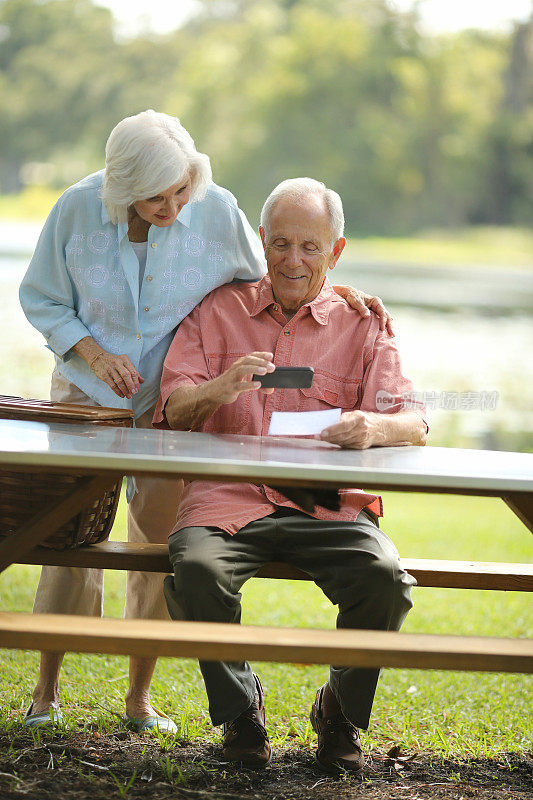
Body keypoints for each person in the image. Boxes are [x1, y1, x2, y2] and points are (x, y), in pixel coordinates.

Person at [19, 111, 391, 731]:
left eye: (180, 191)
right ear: (120, 190)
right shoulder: (78, 209)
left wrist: (340, 291)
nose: (172, 205)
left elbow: (282, 266)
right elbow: (41, 296)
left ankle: (139, 701)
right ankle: (45, 695)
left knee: (158, 544)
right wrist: (92, 351)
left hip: (172, 409)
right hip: (86, 397)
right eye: (155, 197)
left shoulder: (216, 210)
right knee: (69, 545)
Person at [154, 177, 427, 772]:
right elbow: (172, 408)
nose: (292, 259)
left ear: (336, 251)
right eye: (279, 243)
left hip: (325, 505)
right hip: (227, 502)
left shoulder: (364, 325)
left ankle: (340, 712)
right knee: (196, 570)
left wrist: (371, 428)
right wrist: (218, 389)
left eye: (310, 247)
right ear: (261, 241)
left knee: (384, 579)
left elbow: (415, 420)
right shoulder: (217, 310)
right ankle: (240, 711)